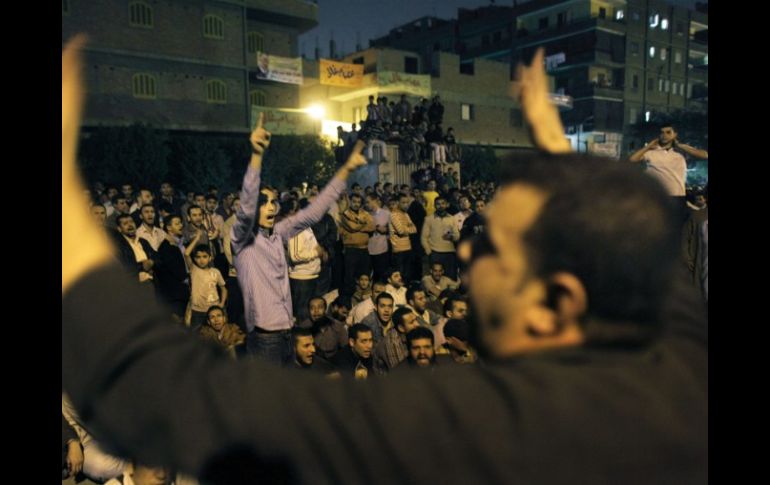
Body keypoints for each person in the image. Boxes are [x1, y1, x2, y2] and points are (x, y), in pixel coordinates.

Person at [63, 42, 706, 484]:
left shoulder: (473, 422)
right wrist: (559, 156)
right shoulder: (679, 373)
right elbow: (640, 257)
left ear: (557, 302)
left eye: (492, 249)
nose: (466, 250)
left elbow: (176, 396)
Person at [229, 111, 367, 364]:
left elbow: (314, 211)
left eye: (273, 202)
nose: (270, 207)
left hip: (286, 332)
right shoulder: (242, 240)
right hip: (264, 338)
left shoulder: (278, 233)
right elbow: (247, 203)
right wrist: (257, 155)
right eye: (264, 202)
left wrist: (346, 169)